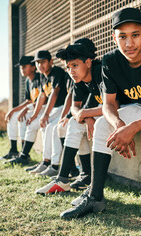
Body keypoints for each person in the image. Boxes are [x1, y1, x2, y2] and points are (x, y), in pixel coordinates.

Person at [60, 8, 141, 236]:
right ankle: (95, 197)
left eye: (135, 35)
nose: (129, 43)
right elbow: (108, 106)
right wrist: (120, 125)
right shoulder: (111, 61)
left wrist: (131, 128)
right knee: (103, 125)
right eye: (122, 36)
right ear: (114, 38)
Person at [35, 38, 103, 195]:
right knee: (72, 123)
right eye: (68, 67)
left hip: (123, 109)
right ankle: (65, 178)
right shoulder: (79, 79)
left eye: (75, 65)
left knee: (79, 123)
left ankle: (87, 177)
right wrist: (83, 115)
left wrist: (85, 114)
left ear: (88, 61)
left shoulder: (100, 71)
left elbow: (112, 105)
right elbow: (76, 105)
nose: (71, 70)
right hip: (100, 112)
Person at [5, 50, 67, 166]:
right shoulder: (43, 76)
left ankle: (52, 163)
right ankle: (30, 157)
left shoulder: (56, 72)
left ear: (51, 61)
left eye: (43, 62)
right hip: (53, 109)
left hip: (61, 108)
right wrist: (34, 115)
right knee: (32, 123)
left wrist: (45, 114)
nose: (40, 65)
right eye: (38, 63)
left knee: (49, 128)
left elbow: (55, 93)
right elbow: (41, 97)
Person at [0, 56, 40, 161]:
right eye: (21, 67)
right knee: (13, 116)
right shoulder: (28, 81)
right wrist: (12, 110)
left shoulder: (39, 78)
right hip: (32, 107)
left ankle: (24, 154)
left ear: (33, 67)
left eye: (24, 66)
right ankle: (13, 150)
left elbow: (41, 100)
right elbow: (28, 101)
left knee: (22, 117)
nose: (22, 69)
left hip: (40, 109)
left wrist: (24, 110)